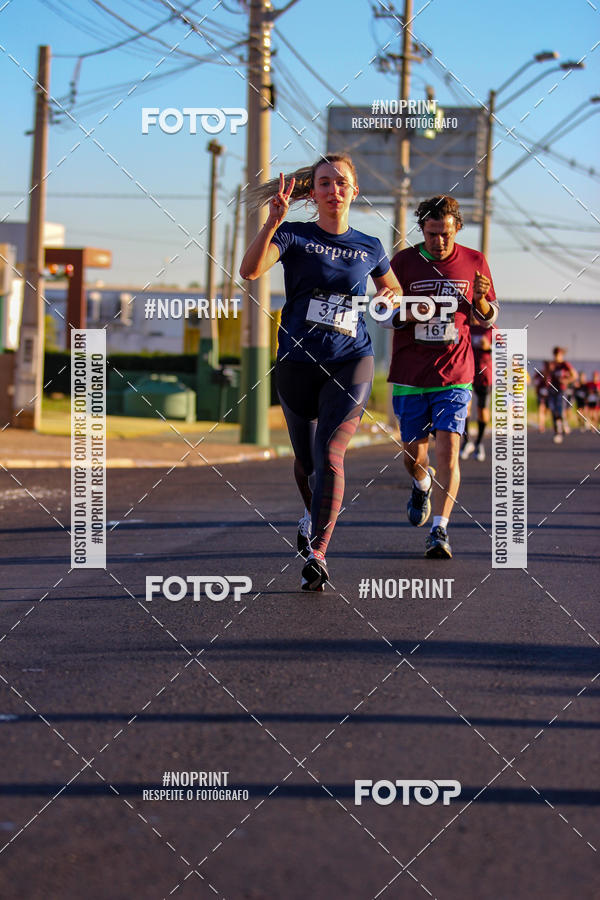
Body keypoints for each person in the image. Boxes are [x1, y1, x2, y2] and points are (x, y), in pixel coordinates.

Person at [240, 154, 399, 590]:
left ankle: (319, 552)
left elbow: (391, 287)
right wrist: (272, 221)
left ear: (354, 190)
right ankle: (311, 513)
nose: (333, 190)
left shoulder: (370, 245)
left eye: (341, 182)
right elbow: (249, 271)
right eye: (325, 183)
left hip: (351, 359)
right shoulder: (293, 235)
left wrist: (388, 299)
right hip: (296, 362)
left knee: (331, 454)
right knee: (307, 461)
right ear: (314, 191)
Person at [378, 195, 498, 559]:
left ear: (456, 229)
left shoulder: (475, 262)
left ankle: (440, 530)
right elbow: (383, 314)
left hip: (455, 373)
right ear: (422, 231)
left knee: (449, 450)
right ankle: (420, 483)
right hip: (411, 375)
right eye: (431, 234)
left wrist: (479, 302)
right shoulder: (402, 262)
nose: (438, 241)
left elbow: (489, 318)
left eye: (445, 234)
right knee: (415, 456)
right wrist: (408, 315)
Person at [461, 324, 492, 461]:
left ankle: (479, 443)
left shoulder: (491, 329)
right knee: (464, 408)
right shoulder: (465, 325)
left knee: (482, 410)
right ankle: (466, 441)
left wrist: (489, 347)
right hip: (466, 373)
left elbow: (505, 351)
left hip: (485, 375)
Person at [543, 347, 576, 444]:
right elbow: (545, 376)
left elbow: (574, 376)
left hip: (561, 390)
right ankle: (557, 432)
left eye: (558, 355)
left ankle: (563, 425)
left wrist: (566, 380)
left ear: (561, 355)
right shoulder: (551, 364)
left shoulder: (565, 365)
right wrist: (548, 371)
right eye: (555, 355)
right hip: (552, 390)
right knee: (553, 411)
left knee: (560, 410)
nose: (557, 357)